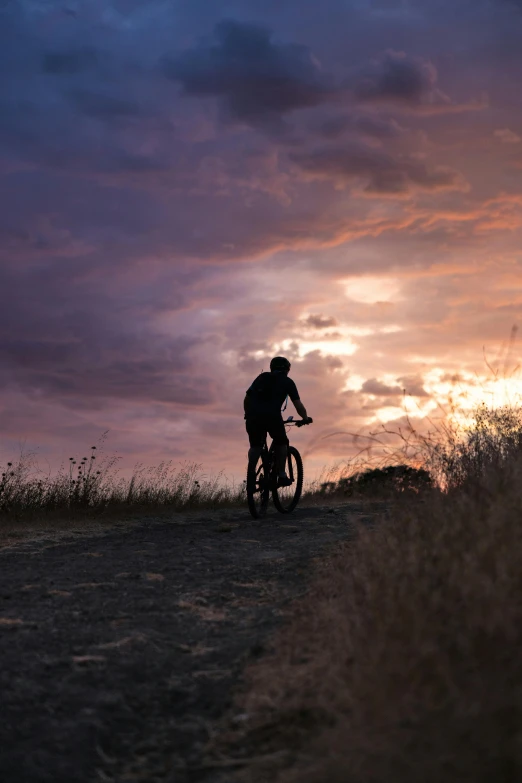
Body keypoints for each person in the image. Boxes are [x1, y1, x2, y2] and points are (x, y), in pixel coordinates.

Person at [244, 356, 312, 486]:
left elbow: (247, 398)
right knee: (282, 442)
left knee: (255, 446)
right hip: (272, 417)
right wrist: (305, 418)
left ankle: (251, 474)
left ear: (272, 368)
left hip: (253, 417)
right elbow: (298, 405)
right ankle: (281, 474)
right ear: (287, 369)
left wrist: (248, 414)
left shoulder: (261, 377)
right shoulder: (288, 382)